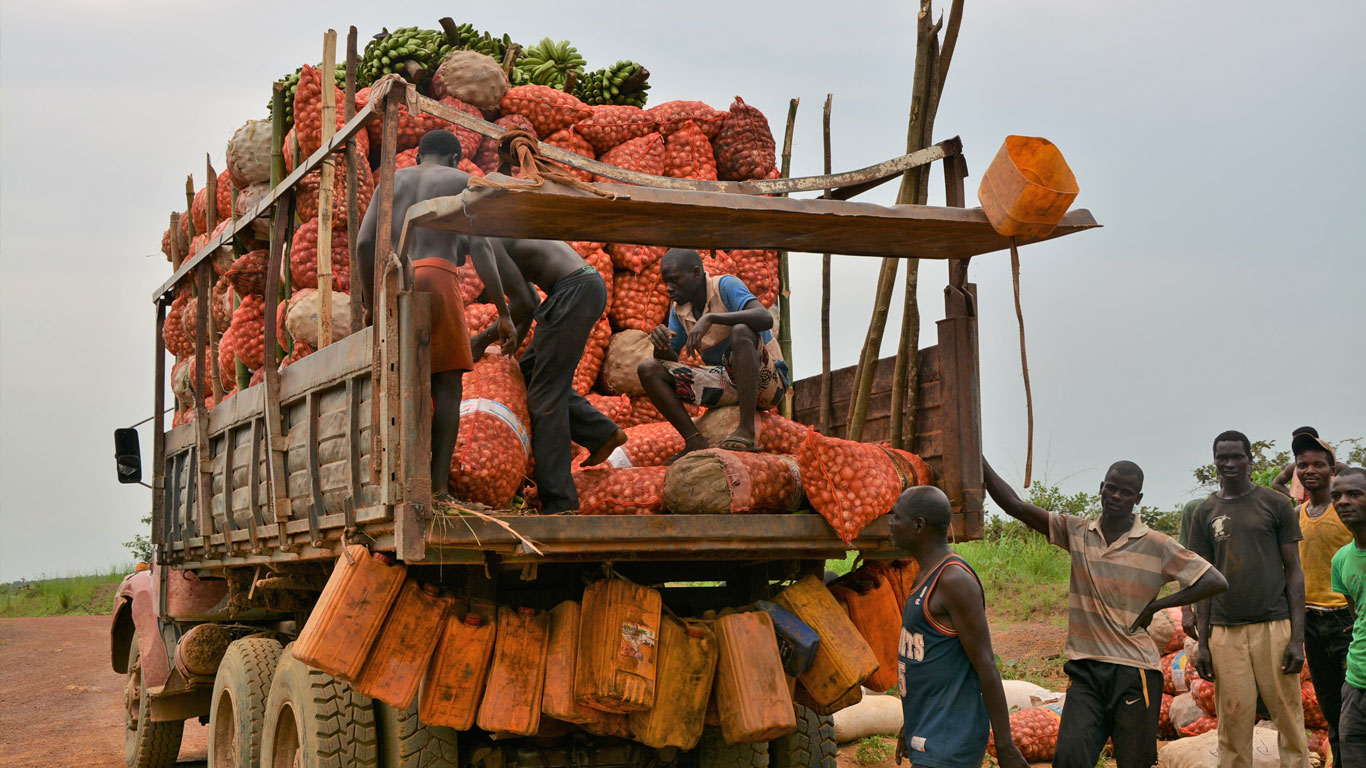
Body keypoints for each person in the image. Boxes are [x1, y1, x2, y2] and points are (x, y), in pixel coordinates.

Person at [983, 458, 1227, 768]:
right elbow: (1015, 506)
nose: (1116, 496)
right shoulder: (1077, 532)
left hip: (1134, 671)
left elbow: (1214, 580)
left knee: (1133, 762)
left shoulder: (1156, 545)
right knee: (1070, 758)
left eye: (1126, 492)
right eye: (1111, 488)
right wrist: (980, 463)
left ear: (1137, 499)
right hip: (1085, 669)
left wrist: (1157, 605)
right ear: (1101, 488)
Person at [356, 129, 511, 498]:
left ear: (419, 157)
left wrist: (369, 302)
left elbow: (364, 243)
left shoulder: (392, 182)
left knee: (399, 379)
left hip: (397, 282)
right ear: (456, 158)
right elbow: (483, 251)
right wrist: (504, 313)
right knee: (447, 384)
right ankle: (438, 489)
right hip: (439, 276)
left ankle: (394, 482)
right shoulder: (464, 181)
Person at [467, 237, 627, 515]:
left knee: (544, 399)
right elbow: (527, 299)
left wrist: (480, 341)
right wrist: (514, 335)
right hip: (577, 287)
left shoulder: (484, 241)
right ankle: (601, 434)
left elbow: (522, 304)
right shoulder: (499, 233)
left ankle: (559, 502)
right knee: (530, 370)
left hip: (573, 291)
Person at [1189, 430, 1309, 768]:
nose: (1229, 463)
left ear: (1249, 460)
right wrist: (1203, 643)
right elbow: (1201, 579)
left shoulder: (1275, 504)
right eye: (1222, 457)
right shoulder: (1205, 512)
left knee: (1287, 712)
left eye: (1236, 456)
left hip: (1274, 624)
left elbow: (1294, 571)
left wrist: (1297, 638)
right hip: (1225, 630)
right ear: (1214, 462)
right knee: (1233, 717)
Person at [887, 486, 1029, 768]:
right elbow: (932, 664)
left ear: (918, 526)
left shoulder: (953, 580)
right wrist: (912, 724)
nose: (889, 522)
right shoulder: (925, 575)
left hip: (950, 741)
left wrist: (1005, 745)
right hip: (931, 733)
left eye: (895, 516)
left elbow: (986, 663)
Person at [637, 248, 789, 461]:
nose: (669, 289)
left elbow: (765, 318)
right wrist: (660, 347)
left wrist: (712, 318)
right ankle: (694, 440)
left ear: (696, 273)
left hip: (767, 384)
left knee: (741, 331)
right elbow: (671, 359)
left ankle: (746, 431)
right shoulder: (680, 309)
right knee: (648, 369)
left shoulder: (725, 285)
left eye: (674, 280)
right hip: (724, 383)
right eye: (666, 282)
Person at [1292, 432, 1352, 766]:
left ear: (1332, 468)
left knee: (1355, 705)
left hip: (1346, 620)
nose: (1309, 470)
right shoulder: (1299, 514)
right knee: (1330, 707)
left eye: (1319, 464)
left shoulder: (1345, 507)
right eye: (1303, 464)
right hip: (1312, 622)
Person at [1329, 468, 1366, 765]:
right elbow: (1357, 615)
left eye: (1354, 494)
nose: (1343, 501)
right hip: (1355, 683)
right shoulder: (1341, 559)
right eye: (1337, 496)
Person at [1274, 426, 1350, 502]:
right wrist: (1292, 496)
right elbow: (1277, 482)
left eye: (1319, 465)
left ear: (1332, 470)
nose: (1310, 471)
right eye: (1303, 466)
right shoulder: (1299, 511)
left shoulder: (1340, 508)